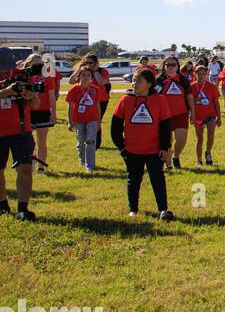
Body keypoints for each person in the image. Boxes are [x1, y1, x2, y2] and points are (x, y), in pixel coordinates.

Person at [110, 68, 175, 220]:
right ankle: (133, 209)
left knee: (157, 179)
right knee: (134, 179)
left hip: (154, 150)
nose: (135, 83)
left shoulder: (159, 100)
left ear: (150, 84)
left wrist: (165, 148)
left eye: (139, 81)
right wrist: (122, 148)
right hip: (132, 150)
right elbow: (115, 128)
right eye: (133, 80)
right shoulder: (125, 100)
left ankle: (163, 210)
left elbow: (166, 126)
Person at [0, 52, 41, 220]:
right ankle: (2, 203)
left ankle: (23, 208)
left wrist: (30, 96)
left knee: (24, 168)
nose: (4, 72)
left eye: (6, 69)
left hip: (21, 131)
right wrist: (7, 91)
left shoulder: (23, 75)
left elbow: (36, 105)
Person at [153, 55, 194, 172]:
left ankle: (176, 156)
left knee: (181, 140)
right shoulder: (159, 80)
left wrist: (193, 114)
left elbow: (190, 98)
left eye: (173, 65)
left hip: (181, 114)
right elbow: (153, 97)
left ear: (178, 66)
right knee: (167, 141)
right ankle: (168, 163)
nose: (170, 67)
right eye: (168, 65)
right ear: (164, 66)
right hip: (163, 116)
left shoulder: (183, 80)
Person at [66, 64, 107, 172]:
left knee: (90, 141)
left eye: (88, 75)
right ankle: (82, 160)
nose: (85, 77)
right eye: (83, 75)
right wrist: (70, 122)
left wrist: (99, 121)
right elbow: (70, 107)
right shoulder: (74, 90)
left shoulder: (95, 90)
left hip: (92, 119)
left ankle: (90, 164)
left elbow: (98, 106)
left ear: (91, 77)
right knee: (81, 141)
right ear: (79, 76)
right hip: (78, 120)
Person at [31, 53, 59, 175]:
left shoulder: (47, 76)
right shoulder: (25, 76)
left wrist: (54, 113)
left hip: (43, 111)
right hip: (29, 111)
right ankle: (30, 162)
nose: (37, 65)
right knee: (28, 141)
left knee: (41, 140)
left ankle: (41, 167)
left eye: (39, 63)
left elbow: (52, 96)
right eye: (34, 62)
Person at [190, 62, 221, 166]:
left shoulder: (211, 86)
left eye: (203, 74)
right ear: (195, 74)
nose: (201, 76)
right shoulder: (192, 87)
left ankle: (208, 153)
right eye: (199, 74)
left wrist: (219, 117)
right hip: (198, 116)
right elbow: (189, 104)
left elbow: (216, 102)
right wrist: (191, 115)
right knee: (199, 139)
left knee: (210, 137)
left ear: (207, 74)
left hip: (210, 115)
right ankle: (198, 161)